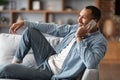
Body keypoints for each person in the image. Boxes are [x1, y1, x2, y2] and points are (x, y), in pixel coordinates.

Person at [0, 5, 107, 80]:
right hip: (49, 58)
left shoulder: (99, 41)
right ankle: (16, 63)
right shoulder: (75, 28)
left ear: (94, 21)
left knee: (6, 68)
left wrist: (79, 38)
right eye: (79, 15)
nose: (78, 20)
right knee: (30, 31)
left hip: (52, 71)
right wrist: (24, 22)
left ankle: (13, 68)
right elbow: (53, 28)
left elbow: (91, 63)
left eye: (83, 17)